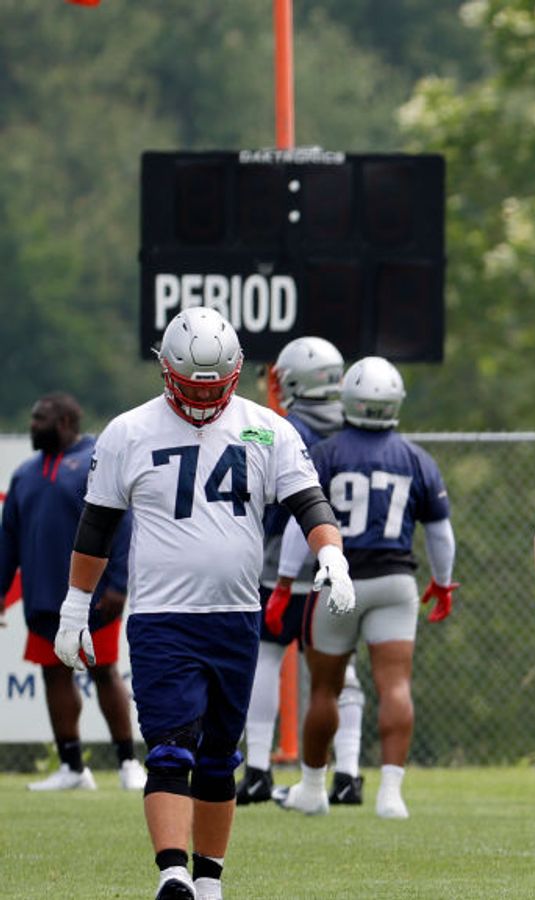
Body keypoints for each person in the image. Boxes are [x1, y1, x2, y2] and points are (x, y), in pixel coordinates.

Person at [56, 307, 354, 900]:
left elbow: (311, 505)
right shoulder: (129, 432)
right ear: (166, 372)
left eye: (214, 387)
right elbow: (96, 529)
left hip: (235, 615)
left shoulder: (268, 429)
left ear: (236, 373)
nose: (203, 398)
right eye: (193, 387)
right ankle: (172, 876)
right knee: (170, 748)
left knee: (220, 757)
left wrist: (332, 556)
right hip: (162, 617)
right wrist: (74, 607)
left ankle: (209, 882)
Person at [274, 356, 456, 821]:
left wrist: (283, 581)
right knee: (395, 685)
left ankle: (313, 788)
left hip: (340, 579)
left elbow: (301, 526)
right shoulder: (416, 458)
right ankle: (390, 794)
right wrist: (442, 581)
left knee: (324, 690)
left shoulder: (328, 453)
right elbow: (440, 533)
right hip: (395, 581)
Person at [236, 337, 368, 807]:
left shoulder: (286, 428)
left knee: (267, 657)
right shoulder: (358, 426)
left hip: (285, 563)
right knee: (340, 670)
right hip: (345, 562)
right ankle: (349, 772)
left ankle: (256, 769)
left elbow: (284, 508)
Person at [0, 392, 144, 792]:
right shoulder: (25, 474)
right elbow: (8, 537)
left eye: (39, 418)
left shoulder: (95, 460)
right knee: (53, 676)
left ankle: (128, 762)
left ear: (64, 421)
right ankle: (72, 767)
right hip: (43, 597)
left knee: (104, 672)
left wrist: (118, 583)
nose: (32, 425)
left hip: (95, 596)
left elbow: (123, 524)